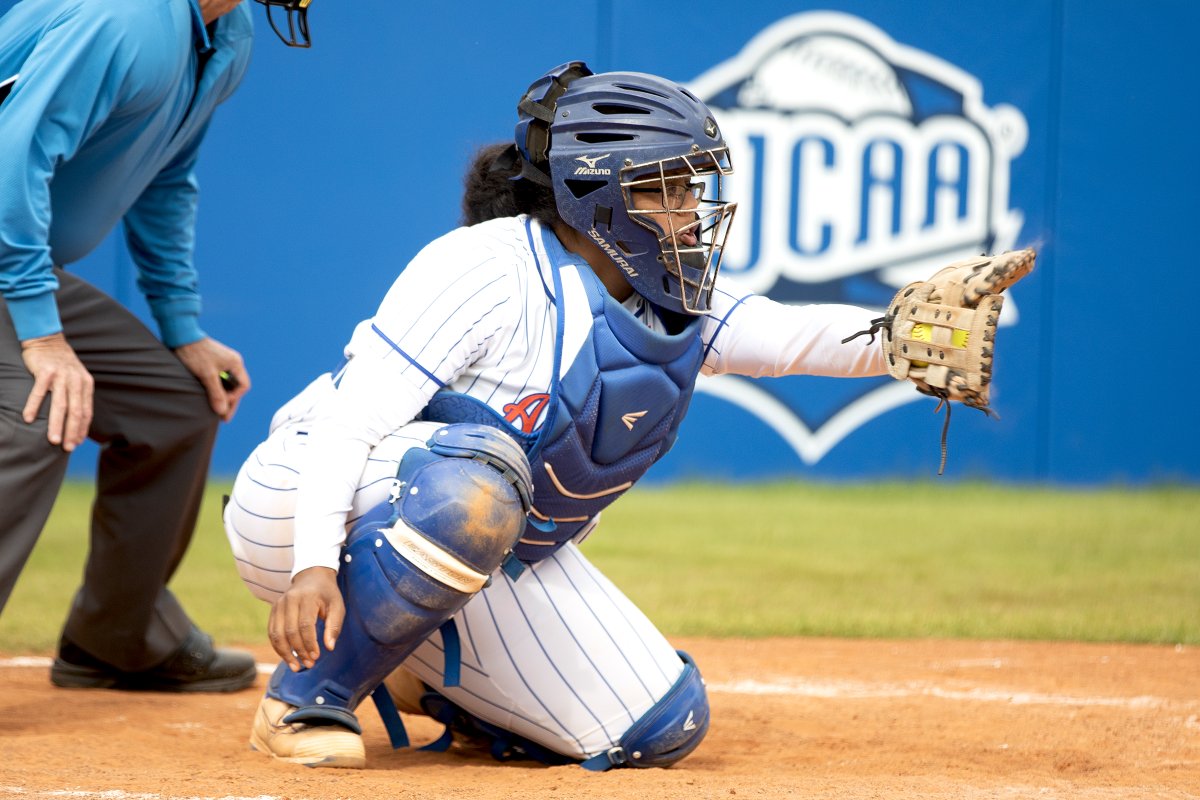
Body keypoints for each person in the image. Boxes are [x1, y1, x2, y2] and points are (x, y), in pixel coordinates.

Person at [223, 61, 888, 768]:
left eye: (692, 185)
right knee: (476, 482)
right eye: (668, 186)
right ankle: (305, 697)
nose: (692, 207)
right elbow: (348, 423)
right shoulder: (485, 266)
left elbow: (784, 336)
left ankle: (416, 669)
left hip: (461, 532)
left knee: (659, 724)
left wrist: (903, 338)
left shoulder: (663, 287)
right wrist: (313, 566)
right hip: (307, 502)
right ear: (598, 192)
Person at [0, 0, 314, 692]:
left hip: (14, 267)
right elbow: (10, 156)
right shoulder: (126, 18)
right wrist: (42, 334)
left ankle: (115, 637)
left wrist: (182, 329)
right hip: (11, 264)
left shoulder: (226, 33)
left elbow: (166, 178)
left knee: (173, 407)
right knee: (42, 405)